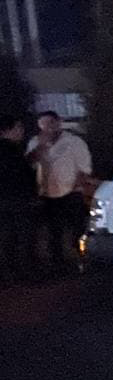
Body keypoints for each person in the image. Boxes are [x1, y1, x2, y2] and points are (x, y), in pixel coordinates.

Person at [25, 111, 92, 275]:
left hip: (71, 192)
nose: (47, 128)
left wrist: (77, 186)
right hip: (47, 193)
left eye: (50, 123)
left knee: (76, 229)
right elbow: (28, 165)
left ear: (58, 123)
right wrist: (40, 148)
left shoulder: (74, 142)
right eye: (42, 125)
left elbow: (84, 168)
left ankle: (81, 260)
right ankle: (58, 264)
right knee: (54, 230)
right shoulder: (35, 142)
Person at [0, 114, 37, 284]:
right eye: (19, 127)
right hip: (17, 200)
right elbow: (21, 176)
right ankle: (24, 272)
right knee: (23, 236)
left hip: (6, 200)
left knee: (7, 236)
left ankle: (10, 271)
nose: (21, 131)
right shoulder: (12, 151)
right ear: (9, 129)